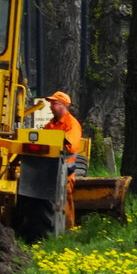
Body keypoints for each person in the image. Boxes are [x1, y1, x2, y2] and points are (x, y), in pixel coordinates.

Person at [42, 91, 83, 229]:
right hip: (48, 168)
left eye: (54, 103)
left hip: (65, 170)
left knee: (65, 199)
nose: (50, 106)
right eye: (51, 103)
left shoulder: (72, 124)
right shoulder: (50, 125)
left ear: (63, 105)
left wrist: (56, 141)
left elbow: (71, 146)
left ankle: (68, 229)